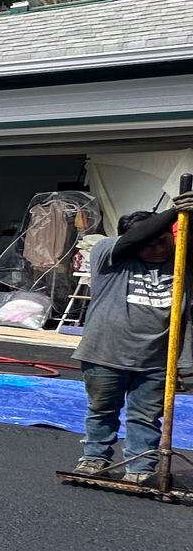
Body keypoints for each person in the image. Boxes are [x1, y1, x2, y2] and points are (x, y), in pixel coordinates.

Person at [74, 196, 193, 479]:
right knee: (102, 410)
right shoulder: (108, 254)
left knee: (146, 417)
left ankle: (141, 467)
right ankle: (95, 458)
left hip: (155, 360)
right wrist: (174, 211)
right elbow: (138, 237)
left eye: (162, 241)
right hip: (104, 353)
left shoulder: (182, 264)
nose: (156, 249)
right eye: (147, 243)